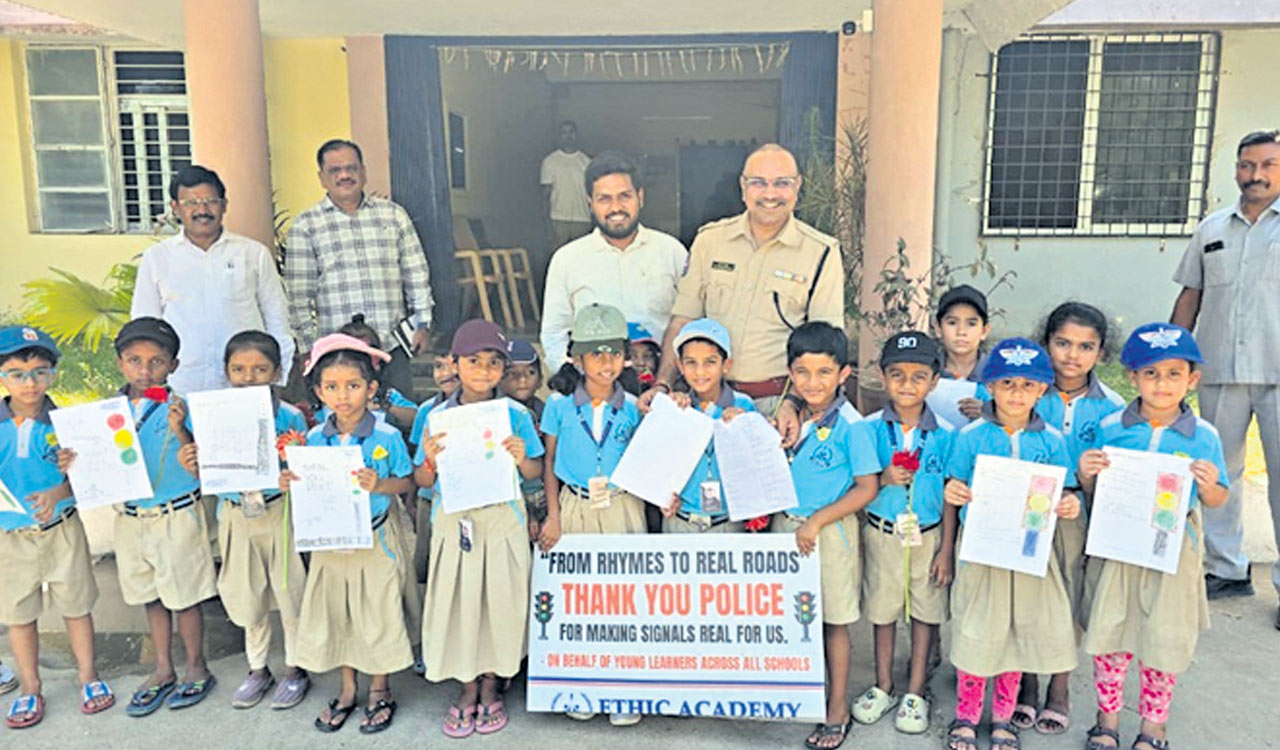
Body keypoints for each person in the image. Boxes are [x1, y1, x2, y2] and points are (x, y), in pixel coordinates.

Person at [1077, 323, 1228, 750]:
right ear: (1132, 377)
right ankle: (1106, 722)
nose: (1162, 384)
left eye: (1174, 374)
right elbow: (1096, 494)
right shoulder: (1111, 427)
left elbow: (1216, 500)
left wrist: (1210, 483)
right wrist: (1087, 475)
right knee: (1112, 632)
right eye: (1151, 373)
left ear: (1192, 380)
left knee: (1163, 636)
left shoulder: (1205, 436)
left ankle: (1153, 728)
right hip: (1119, 549)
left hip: (1173, 552)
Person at [65, 318, 218, 716]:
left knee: (185, 598)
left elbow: (203, 467)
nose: (145, 370)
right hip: (130, 517)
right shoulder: (103, 414)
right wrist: (73, 460)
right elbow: (92, 462)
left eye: (156, 361)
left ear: (174, 364)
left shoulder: (182, 408)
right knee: (149, 595)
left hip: (176, 514)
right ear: (120, 363)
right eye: (134, 360)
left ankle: (196, 665)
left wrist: (182, 432)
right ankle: (163, 667)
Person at [941, 337, 1081, 750]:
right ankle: (967, 715)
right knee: (975, 627)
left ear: (1042, 389)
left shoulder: (1053, 441)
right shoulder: (970, 436)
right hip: (981, 552)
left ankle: (1003, 717)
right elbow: (954, 484)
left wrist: (1068, 504)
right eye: (1006, 384)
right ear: (989, 387)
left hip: (1027, 554)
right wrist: (954, 493)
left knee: (1016, 630)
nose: (1016, 393)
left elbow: (1063, 492)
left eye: (1027, 384)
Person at [414, 320, 545, 738]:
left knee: (499, 604)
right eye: (474, 361)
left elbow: (535, 473)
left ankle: (491, 685)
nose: (484, 370)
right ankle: (466, 686)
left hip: (503, 519)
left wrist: (523, 457)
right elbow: (421, 481)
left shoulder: (515, 415)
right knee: (460, 603)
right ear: (455, 363)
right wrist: (430, 460)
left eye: (494, 363)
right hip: (456, 522)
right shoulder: (434, 416)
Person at [282, 333, 415, 734]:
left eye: (353, 386)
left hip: (373, 539)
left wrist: (380, 485)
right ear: (319, 391)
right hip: (330, 543)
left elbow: (407, 483)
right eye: (332, 387)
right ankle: (346, 689)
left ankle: (379, 689)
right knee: (338, 613)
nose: (343, 396)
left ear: (371, 389)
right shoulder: (313, 439)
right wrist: (290, 480)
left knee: (376, 612)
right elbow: (306, 484)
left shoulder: (387, 436)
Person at [1170, 129, 1280, 609]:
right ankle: (1226, 568)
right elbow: (1190, 294)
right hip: (1218, 369)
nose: (1256, 175)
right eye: (1247, 165)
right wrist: (1172, 358)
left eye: (1268, 165)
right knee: (1216, 472)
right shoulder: (1211, 229)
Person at [653, 143, 842, 414]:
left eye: (782, 183)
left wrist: (794, 403)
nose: (770, 193)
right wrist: (663, 385)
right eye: (758, 183)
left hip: (778, 406)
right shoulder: (710, 241)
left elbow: (824, 345)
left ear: (798, 186)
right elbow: (684, 320)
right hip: (709, 400)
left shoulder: (821, 252)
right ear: (743, 187)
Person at [177, 331, 310, 711]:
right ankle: (257, 668)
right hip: (236, 513)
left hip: (279, 511)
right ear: (226, 371)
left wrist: (292, 467)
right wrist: (193, 462)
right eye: (238, 369)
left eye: (259, 369)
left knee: (289, 592)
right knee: (246, 594)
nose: (248, 377)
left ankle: (295, 668)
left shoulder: (291, 417)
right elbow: (205, 472)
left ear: (277, 371)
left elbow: (304, 468)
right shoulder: (210, 416)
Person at [1014, 302, 1124, 735]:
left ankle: (1059, 685)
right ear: (1046, 343)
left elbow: (1116, 479)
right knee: (1025, 593)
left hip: (1076, 514)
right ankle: (1025, 681)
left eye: (1085, 346)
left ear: (1100, 353)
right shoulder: (1019, 390)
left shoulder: (1113, 410)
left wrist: (1087, 485)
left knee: (1068, 599)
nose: (1071, 356)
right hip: (1022, 508)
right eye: (1062, 343)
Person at [537, 304, 646, 726]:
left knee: (624, 597)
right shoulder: (560, 407)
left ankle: (624, 690)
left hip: (622, 506)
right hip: (575, 506)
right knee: (579, 598)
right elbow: (548, 463)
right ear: (576, 359)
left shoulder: (636, 406)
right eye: (595, 354)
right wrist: (553, 517)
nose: (606, 363)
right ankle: (583, 684)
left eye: (614, 353)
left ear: (626, 357)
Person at [772, 321, 878, 750]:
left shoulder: (852, 426)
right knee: (794, 619)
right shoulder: (787, 416)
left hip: (830, 533)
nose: (812, 383)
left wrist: (816, 521)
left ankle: (836, 710)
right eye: (802, 373)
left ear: (843, 375)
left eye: (823, 373)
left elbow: (867, 488)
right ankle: (798, 696)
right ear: (790, 375)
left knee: (833, 620)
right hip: (786, 526)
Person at [0, 326, 112, 728]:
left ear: (52, 374)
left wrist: (62, 486)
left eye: (40, 372)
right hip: (10, 537)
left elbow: (95, 477)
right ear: (2, 376)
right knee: (19, 615)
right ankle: (31, 687)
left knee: (77, 606)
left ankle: (88, 677)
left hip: (63, 529)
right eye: (16, 373)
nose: (29, 383)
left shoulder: (70, 424)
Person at [850, 332, 955, 737]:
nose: (907, 385)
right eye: (897, 375)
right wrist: (883, 478)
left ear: (934, 381)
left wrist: (946, 548)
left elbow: (950, 495)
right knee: (882, 609)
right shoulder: (868, 430)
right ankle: (884, 685)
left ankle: (915, 690)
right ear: (882, 376)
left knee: (927, 611)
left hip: (927, 535)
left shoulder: (946, 434)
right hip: (883, 533)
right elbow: (857, 483)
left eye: (918, 376)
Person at [284, 139, 434, 399]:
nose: (344, 175)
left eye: (351, 168)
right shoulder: (306, 226)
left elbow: (416, 273)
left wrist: (423, 323)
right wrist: (309, 347)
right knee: (344, 425)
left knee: (399, 419)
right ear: (322, 178)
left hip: (391, 344)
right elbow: (299, 296)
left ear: (363, 172)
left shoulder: (393, 216)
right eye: (334, 170)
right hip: (336, 352)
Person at [130, 165, 294, 395]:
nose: (202, 210)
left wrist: (278, 379)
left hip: (246, 385)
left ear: (224, 204)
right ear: (175, 208)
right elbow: (145, 326)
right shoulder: (157, 258)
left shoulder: (253, 254)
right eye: (191, 203)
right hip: (182, 385)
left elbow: (277, 319)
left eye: (210, 201)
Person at [540, 151, 687, 370]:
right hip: (595, 392)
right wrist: (571, 380)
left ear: (640, 197)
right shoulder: (567, 260)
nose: (616, 208)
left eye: (624, 196)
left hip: (660, 387)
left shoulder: (671, 252)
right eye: (604, 199)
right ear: (590, 203)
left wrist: (668, 381)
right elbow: (554, 332)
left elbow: (689, 321)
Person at [660, 318, 755, 533]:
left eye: (710, 362)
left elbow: (755, 464)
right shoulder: (676, 407)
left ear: (726, 365)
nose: (700, 371)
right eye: (691, 362)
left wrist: (743, 426)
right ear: (680, 366)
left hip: (727, 522)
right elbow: (659, 460)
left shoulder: (743, 405)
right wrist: (663, 495)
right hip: (681, 520)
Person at [501, 339, 548, 539]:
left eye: (530, 373)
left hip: (544, 494)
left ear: (540, 379)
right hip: (513, 497)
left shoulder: (546, 412)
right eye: (512, 374)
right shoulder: (499, 415)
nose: (522, 381)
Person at [336, 314, 418, 429]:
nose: (360, 361)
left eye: (367, 354)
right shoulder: (331, 393)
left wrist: (384, 406)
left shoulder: (386, 394)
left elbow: (415, 418)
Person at [539, 121, 593, 288]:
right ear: (558, 136)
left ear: (576, 135)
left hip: (582, 219)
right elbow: (545, 195)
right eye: (564, 132)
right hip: (558, 218)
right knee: (557, 262)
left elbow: (593, 194)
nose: (568, 136)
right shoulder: (550, 162)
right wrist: (546, 222)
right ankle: (556, 294)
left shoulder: (587, 162)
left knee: (582, 262)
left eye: (571, 132)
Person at [935, 285, 992, 421]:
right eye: (952, 322)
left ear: (984, 331)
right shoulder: (926, 372)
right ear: (938, 328)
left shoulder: (999, 376)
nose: (961, 332)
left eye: (971, 324)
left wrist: (990, 413)